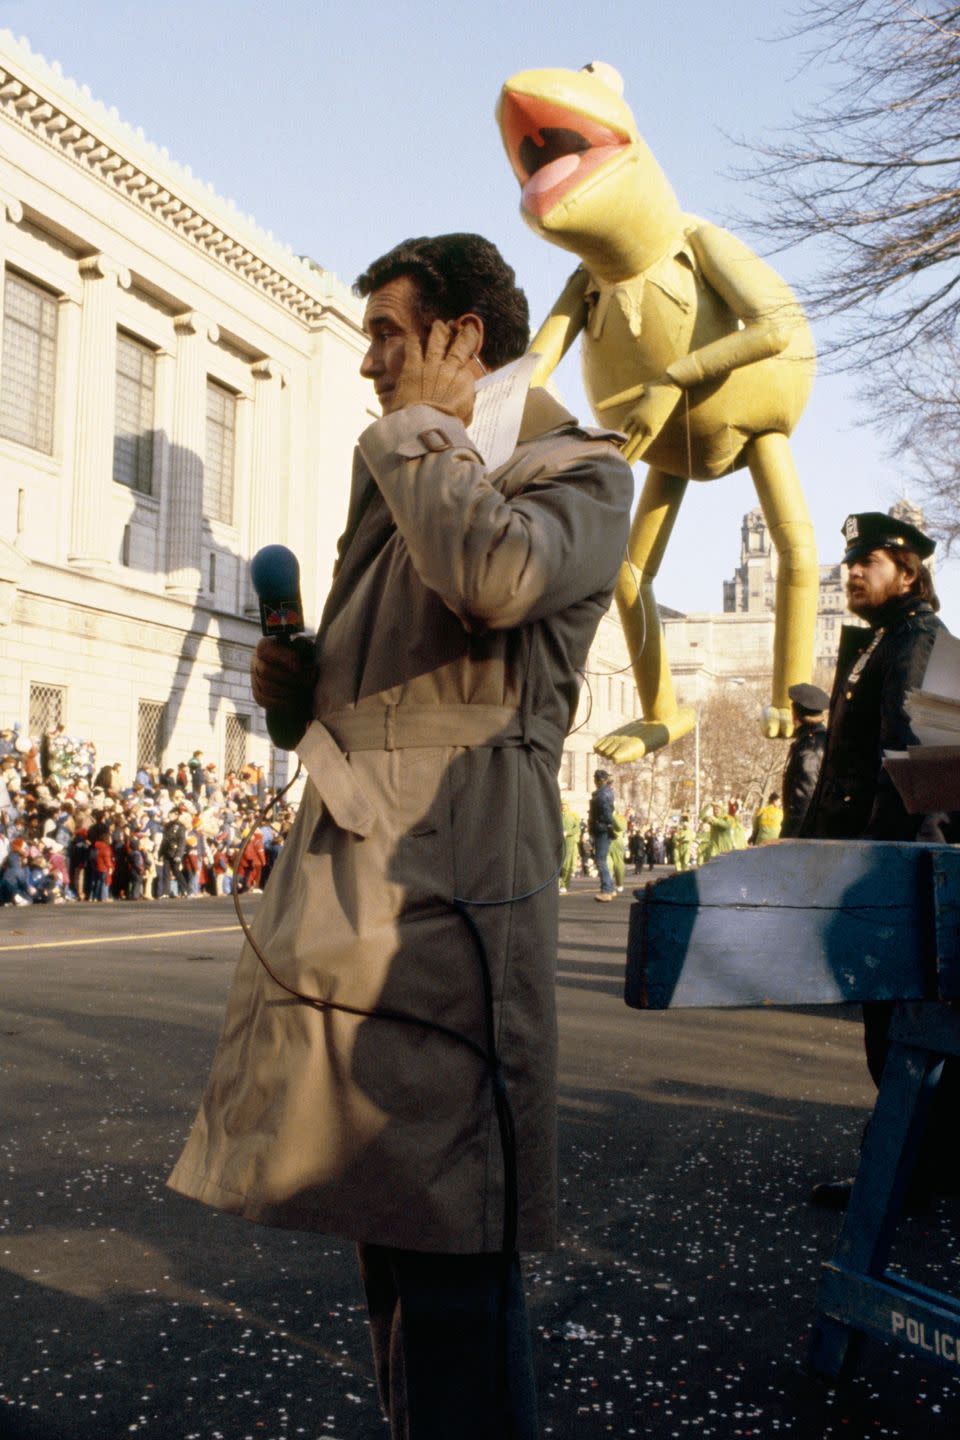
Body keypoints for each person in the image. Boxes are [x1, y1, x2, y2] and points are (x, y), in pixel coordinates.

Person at [167, 231, 633, 1439]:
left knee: (455, 1239)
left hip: (454, 890)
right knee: (393, 1227)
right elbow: (383, 682)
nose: (371, 362)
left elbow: (495, 581)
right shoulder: (405, 466)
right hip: (353, 886)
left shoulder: (578, 468)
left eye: (387, 332)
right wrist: (296, 678)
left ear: (461, 338)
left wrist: (420, 433)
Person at [801, 511, 957, 1208]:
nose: (853, 570)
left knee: (904, 1032)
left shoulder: (921, 641)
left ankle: (909, 1174)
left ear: (909, 570)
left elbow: (924, 766)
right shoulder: (884, 642)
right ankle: (911, 1167)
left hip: (902, 870)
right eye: (851, 560)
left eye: (869, 558)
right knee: (892, 1029)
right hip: (876, 864)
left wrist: (910, 879)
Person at [779, 683, 829, 839]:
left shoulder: (810, 746)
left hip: (805, 836)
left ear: (794, 715)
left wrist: (789, 837)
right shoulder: (820, 740)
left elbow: (804, 796)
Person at [588, 768, 617, 901]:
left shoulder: (601, 795)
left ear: (597, 780)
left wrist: (604, 822)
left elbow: (606, 812)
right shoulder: (608, 792)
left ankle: (606, 890)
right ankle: (610, 888)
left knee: (600, 860)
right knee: (602, 859)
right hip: (604, 828)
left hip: (601, 828)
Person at [558, 795, 579, 895]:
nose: (563, 806)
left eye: (565, 805)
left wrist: (568, 833)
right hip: (558, 842)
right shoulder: (556, 815)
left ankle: (564, 885)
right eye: (562, 805)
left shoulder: (572, 816)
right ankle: (558, 884)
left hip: (569, 843)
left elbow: (577, 829)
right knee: (559, 864)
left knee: (567, 866)